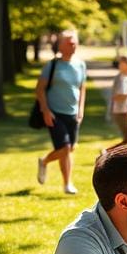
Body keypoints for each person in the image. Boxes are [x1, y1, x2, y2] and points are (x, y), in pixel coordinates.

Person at [36, 29, 87, 195]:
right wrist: (45, 110)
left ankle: (44, 161)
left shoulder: (80, 65)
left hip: (73, 113)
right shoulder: (52, 65)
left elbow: (82, 88)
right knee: (64, 148)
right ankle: (67, 184)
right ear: (61, 45)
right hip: (54, 113)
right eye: (69, 42)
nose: (73, 45)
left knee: (70, 149)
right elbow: (40, 89)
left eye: (74, 42)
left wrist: (81, 110)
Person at [106, 56, 127, 151]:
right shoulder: (120, 79)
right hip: (122, 112)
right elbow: (116, 97)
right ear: (124, 66)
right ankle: (108, 152)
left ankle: (110, 153)